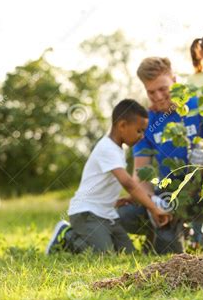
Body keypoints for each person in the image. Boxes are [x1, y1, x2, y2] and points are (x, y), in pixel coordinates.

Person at [117, 57, 203, 257]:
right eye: (151, 92)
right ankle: (167, 233)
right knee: (126, 216)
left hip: (201, 192)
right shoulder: (147, 122)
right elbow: (141, 174)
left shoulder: (201, 106)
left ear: (175, 81)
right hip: (171, 194)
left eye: (163, 89)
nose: (158, 96)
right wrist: (153, 204)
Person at [45, 99, 171, 255]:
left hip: (107, 214)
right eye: (139, 131)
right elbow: (128, 183)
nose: (142, 136)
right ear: (122, 125)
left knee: (128, 254)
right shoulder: (107, 148)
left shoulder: (118, 149)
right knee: (104, 255)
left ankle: (94, 239)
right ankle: (67, 236)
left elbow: (107, 183)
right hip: (86, 213)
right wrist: (153, 208)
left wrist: (118, 200)